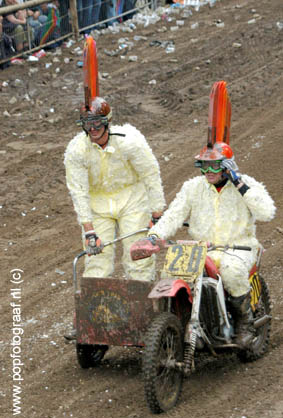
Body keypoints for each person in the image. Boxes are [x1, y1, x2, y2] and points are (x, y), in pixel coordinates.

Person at [141, 141, 276, 348]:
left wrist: (239, 184)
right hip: (202, 249)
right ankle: (174, 324)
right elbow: (173, 215)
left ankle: (244, 324)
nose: (208, 171)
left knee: (231, 271)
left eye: (214, 166)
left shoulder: (246, 184)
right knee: (171, 274)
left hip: (238, 248)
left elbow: (267, 212)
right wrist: (153, 235)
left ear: (227, 166)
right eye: (204, 165)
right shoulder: (192, 187)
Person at [64, 96, 166, 283]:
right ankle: (95, 306)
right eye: (87, 125)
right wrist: (88, 229)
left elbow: (150, 174)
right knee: (96, 259)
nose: (93, 129)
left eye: (97, 123)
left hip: (132, 199)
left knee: (138, 256)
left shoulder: (130, 140)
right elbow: (78, 190)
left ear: (107, 122)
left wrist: (157, 213)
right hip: (98, 205)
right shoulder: (76, 149)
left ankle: (142, 300)